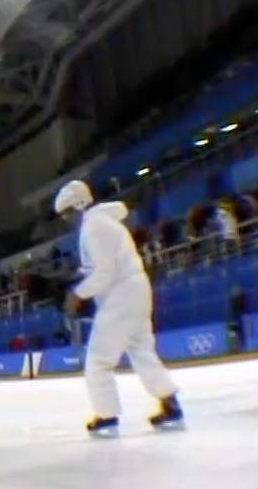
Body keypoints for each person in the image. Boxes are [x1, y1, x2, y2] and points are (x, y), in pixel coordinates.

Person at [52, 179, 184, 437]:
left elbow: (104, 273)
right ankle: (170, 403)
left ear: (78, 205)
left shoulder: (93, 227)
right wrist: (76, 277)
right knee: (141, 350)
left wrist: (77, 294)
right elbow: (101, 267)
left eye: (67, 212)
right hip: (135, 290)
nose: (66, 219)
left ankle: (106, 415)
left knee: (99, 359)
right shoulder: (105, 222)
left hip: (120, 296)